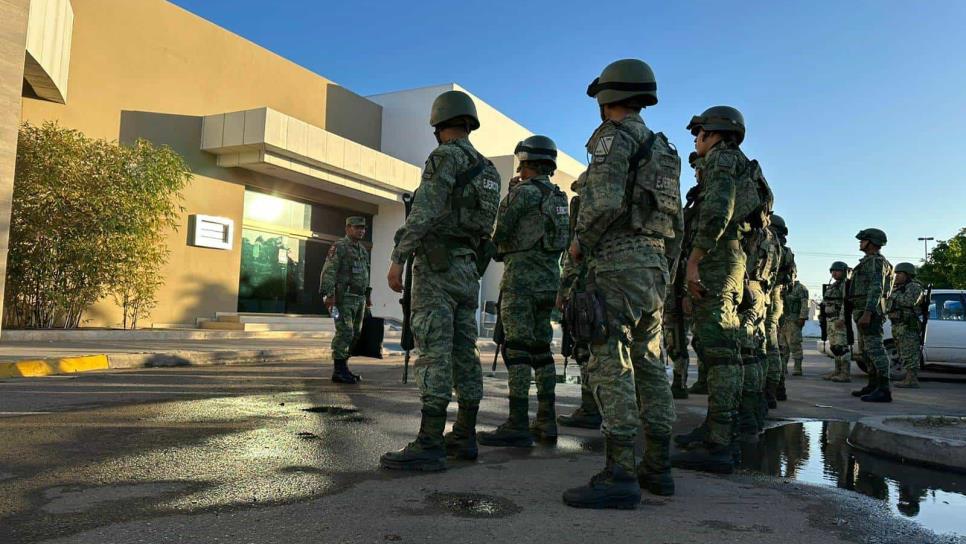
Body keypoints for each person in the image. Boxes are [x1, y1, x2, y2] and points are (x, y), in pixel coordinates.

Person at [562, 58, 682, 509]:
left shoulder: (613, 138)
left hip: (615, 263)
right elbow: (676, 221)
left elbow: (606, 201)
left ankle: (620, 475)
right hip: (652, 266)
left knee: (610, 363)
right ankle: (659, 468)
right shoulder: (664, 149)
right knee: (650, 363)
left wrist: (579, 244)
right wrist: (665, 266)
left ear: (607, 98)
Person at [381, 90, 501, 471]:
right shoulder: (489, 171)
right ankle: (464, 434)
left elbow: (425, 211)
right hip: (468, 271)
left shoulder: (443, 157)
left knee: (433, 349)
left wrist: (398, 257)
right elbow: (486, 228)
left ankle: (430, 441)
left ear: (437, 125)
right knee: (465, 351)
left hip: (436, 267)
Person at [672, 105, 767, 475]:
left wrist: (695, 259)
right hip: (727, 257)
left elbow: (717, 209)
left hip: (716, 256)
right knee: (712, 346)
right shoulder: (737, 162)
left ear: (714, 133)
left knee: (721, 350)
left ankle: (720, 443)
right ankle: (715, 428)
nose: (696, 140)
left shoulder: (722, 160)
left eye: (699, 133)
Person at [479, 135, 569, 447]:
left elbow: (499, 231)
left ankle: (517, 422)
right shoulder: (559, 198)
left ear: (525, 162)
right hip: (548, 281)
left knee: (516, 350)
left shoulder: (522, 193)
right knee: (542, 351)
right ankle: (547, 420)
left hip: (520, 281)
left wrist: (510, 195)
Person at [556, 173, 604, 430]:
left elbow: (574, 257)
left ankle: (590, 408)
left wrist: (563, 290)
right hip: (613, 285)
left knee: (586, 350)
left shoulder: (588, 217)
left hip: (587, 290)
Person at [737, 218, 782, 442]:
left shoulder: (755, 234)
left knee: (746, 353)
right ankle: (758, 404)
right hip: (762, 293)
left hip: (748, 290)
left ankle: (747, 414)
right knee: (757, 352)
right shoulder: (774, 242)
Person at [319, 216, 371, 384]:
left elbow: (365, 274)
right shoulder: (339, 247)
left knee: (355, 334)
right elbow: (329, 270)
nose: (361, 230)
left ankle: (344, 367)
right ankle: (339, 370)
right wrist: (328, 294)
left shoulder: (362, 250)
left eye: (363, 228)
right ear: (348, 228)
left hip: (359, 298)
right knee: (345, 332)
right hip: (343, 298)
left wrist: (367, 297)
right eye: (357, 227)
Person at [849, 228, 895, 402]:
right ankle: (873, 385)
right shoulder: (868, 261)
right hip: (862, 310)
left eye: (864, 240)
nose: (860, 242)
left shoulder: (876, 262)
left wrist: (868, 312)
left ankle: (884, 389)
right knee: (866, 350)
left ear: (872, 242)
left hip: (871, 311)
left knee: (876, 350)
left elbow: (877, 288)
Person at [887, 262, 925, 389]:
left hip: (908, 325)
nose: (896, 276)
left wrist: (892, 295)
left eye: (899, 273)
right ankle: (908, 379)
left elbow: (909, 301)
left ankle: (912, 380)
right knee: (902, 352)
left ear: (908, 274)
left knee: (910, 352)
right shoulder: (898, 288)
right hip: (898, 325)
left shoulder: (914, 287)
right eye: (895, 273)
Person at [821, 261, 853, 383]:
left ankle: (845, 373)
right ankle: (837, 371)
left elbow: (846, 303)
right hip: (830, 319)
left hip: (838, 320)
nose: (834, 273)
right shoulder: (833, 285)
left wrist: (842, 318)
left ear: (844, 272)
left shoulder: (846, 285)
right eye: (832, 271)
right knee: (834, 347)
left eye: (837, 270)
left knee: (842, 347)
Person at [780, 275, 809, 376]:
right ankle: (783, 368)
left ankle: (797, 368)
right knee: (782, 346)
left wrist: (802, 317)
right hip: (782, 320)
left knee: (794, 344)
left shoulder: (801, 288)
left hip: (794, 320)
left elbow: (805, 304)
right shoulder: (781, 286)